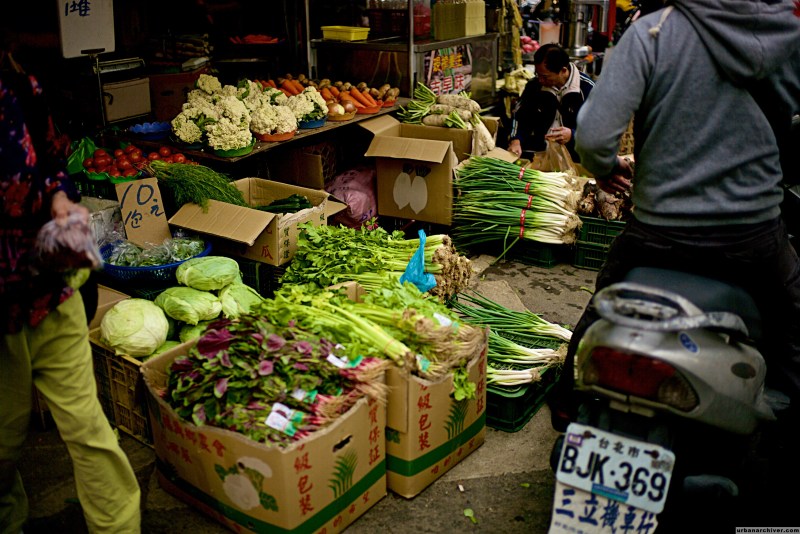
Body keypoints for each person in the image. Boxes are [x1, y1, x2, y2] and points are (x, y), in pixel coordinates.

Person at [552, 0, 800, 431]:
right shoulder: (785, 36)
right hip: (752, 235)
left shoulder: (653, 33)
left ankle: (568, 402)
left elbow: (592, 137)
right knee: (790, 324)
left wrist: (607, 168)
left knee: (604, 307)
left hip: (659, 233)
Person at [0, 55, 141, 532]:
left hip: (50, 291)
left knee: (90, 429)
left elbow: (51, 161)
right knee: (3, 441)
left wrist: (60, 201)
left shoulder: (21, 79)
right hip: (2, 307)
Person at [507, 43, 595, 161]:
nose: (540, 80)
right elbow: (519, 115)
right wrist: (515, 140)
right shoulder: (534, 86)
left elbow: (597, 128)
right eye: (538, 75)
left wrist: (573, 135)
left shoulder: (587, 89)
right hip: (538, 155)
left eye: (545, 76)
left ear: (563, 70)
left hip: (574, 158)